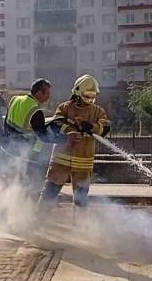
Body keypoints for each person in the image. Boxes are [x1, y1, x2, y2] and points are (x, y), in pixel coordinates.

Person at [37, 74, 111, 212]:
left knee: (81, 200)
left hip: (83, 162)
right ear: (77, 92)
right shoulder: (64, 107)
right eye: (87, 95)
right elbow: (56, 124)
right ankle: (37, 220)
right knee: (49, 193)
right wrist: (69, 130)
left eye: (92, 95)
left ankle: (80, 227)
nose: (90, 99)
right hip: (61, 159)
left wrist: (90, 126)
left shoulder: (98, 111)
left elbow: (105, 128)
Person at [2, 79, 75, 192]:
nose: (49, 96)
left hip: (10, 146)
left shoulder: (15, 99)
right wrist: (65, 138)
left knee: (13, 178)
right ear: (39, 93)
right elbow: (44, 136)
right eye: (47, 93)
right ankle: (24, 203)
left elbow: (7, 122)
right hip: (25, 151)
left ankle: (8, 199)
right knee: (27, 181)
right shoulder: (36, 111)